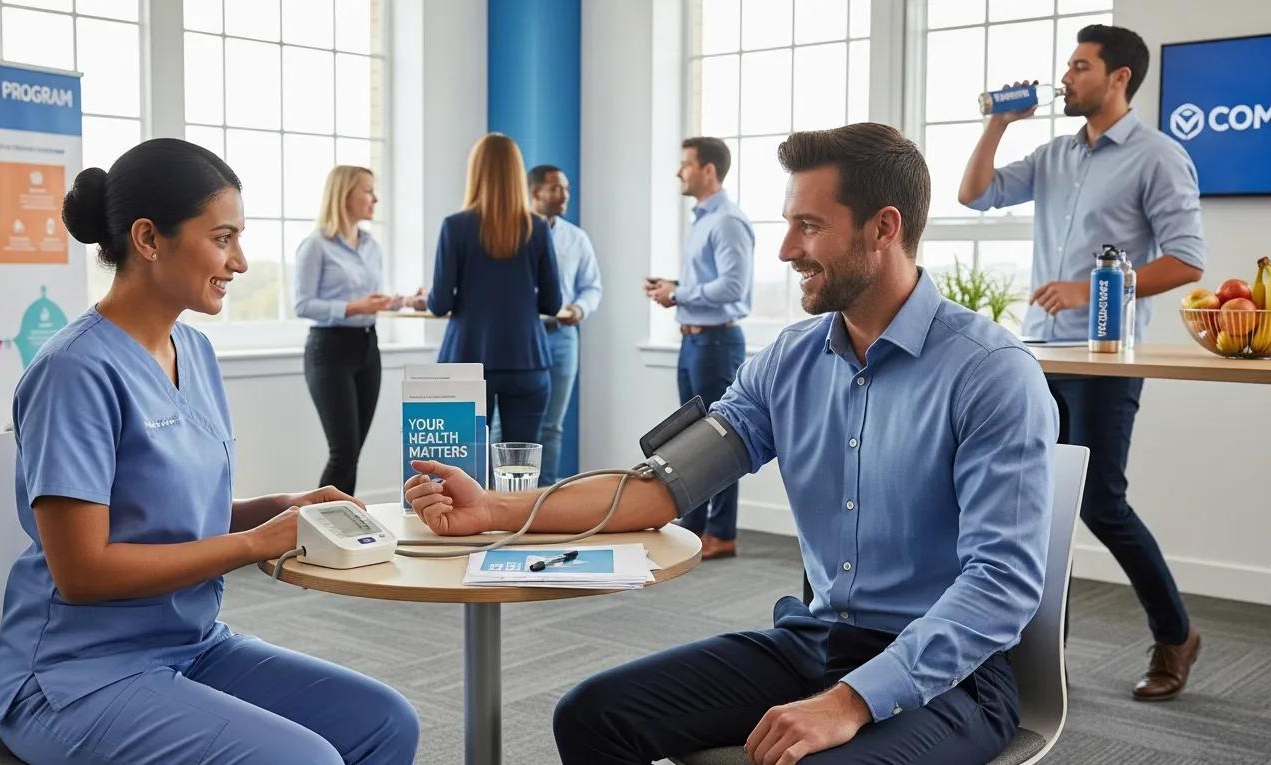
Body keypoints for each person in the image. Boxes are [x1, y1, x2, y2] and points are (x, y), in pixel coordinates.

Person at [406, 123, 1057, 765]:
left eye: (808, 226)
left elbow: (1001, 583)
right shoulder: (787, 362)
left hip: (950, 672)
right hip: (816, 639)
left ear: (883, 228)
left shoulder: (990, 372)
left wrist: (853, 698)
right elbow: (659, 487)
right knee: (592, 716)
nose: (783, 251)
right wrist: (493, 509)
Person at [0, 139, 419, 764]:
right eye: (222, 238)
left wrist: (276, 508)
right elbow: (82, 573)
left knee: (386, 723)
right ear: (148, 238)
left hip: (190, 644)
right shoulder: (73, 372)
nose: (240, 261)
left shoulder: (195, 352)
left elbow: (174, 515)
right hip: (75, 677)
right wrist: (253, 545)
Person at [958, 24, 1205, 701]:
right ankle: (1040, 652)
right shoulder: (1053, 154)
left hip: (1104, 356)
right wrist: (998, 125)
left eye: (1079, 65)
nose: (1065, 77)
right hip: (1037, 351)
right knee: (1035, 504)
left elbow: (1186, 259)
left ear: (1118, 76)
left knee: (1099, 499)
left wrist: (1096, 286)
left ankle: (1174, 632)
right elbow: (973, 194)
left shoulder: (1158, 156)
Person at [644, 137, 754, 560]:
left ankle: (721, 534)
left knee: (719, 438)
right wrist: (673, 290)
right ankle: (696, 526)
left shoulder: (727, 221)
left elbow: (732, 287)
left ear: (709, 170)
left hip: (717, 342)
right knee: (691, 438)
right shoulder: (702, 220)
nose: (678, 172)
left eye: (685, 164)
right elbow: (706, 284)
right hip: (694, 341)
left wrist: (679, 293)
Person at [426, 133, 561, 445]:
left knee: (462, 469)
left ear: (475, 172)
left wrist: (428, 297)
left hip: (466, 359)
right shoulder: (537, 227)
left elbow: (440, 302)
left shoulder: (455, 226)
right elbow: (553, 304)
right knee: (520, 469)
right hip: (527, 359)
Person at [294, 165, 397, 496]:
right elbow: (303, 304)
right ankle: (317, 529)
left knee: (353, 456)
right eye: (368, 191)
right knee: (343, 453)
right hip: (330, 350)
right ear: (345, 194)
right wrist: (353, 307)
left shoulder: (372, 246)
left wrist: (406, 301)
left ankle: (344, 529)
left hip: (368, 348)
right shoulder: (316, 246)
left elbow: (373, 299)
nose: (375, 198)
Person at [527, 163, 603, 486]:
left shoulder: (576, 238)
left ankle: (543, 502)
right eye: (556, 188)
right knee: (505, 424)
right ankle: (498, 499)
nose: (564, 195)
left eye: (566, 189)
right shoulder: (518, 233)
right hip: (525, 336)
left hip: (563, 337)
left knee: (552, 425)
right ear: (535, 192)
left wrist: (579, 309)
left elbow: (592, 286)